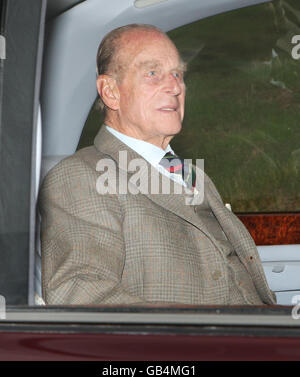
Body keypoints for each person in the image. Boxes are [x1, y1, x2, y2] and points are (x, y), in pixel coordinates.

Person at [39, 24, 276, 305]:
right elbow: (81, 296)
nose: (175, 86)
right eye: (152, 73)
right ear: (110, 91)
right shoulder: (80, 177)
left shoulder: (189, 173)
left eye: (178, 74)